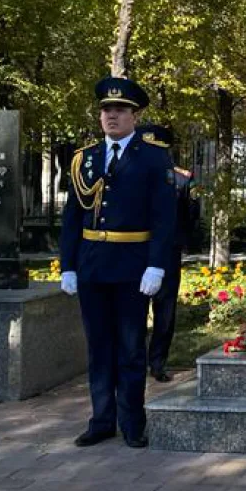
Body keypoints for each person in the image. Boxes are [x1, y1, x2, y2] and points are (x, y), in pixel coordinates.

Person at [59, 77, 176, 448]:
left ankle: (131, 422)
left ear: (134, 115)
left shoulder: (154, 157)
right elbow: (72, 218)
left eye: (120, 110)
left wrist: (156, 265)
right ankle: (101, 419)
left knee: (129, 348)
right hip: (93, 264)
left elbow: (164, 219)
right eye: (107, 110)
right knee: (98, 347)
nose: (112, 116)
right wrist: (68, 266)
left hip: (132, 265)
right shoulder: (85, 158)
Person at [140, 123, 200, 382]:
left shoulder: (182, 178)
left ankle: (157, 362)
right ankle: (134, 360)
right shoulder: (129, 175)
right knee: (133, 310)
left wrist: (179, 243)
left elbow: (191, 215)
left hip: (167, 252)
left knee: (165, 310)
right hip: (134, 250)